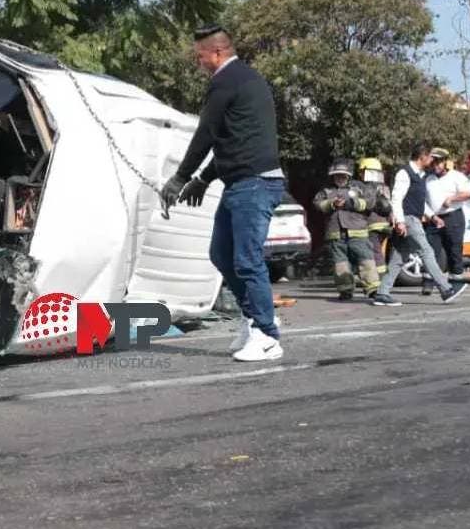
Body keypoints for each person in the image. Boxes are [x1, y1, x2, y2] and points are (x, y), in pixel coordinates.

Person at [161, 24, 285, 362]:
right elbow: (235, 142)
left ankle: (268, 335)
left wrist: (180, 177)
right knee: (221, 254)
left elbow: (207, 133)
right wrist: (203, 179)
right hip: (244, 182)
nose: (199, 64)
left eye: (200, 57)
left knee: (246, 260)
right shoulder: (248, 79)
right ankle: (253, 320)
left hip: (254, 184)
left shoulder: (225, 81)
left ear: (216, 53)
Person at [372, 143, 469, 307]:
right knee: (427, 251)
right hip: (408, 220)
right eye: (430, 156)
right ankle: (446, 290)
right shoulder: (405, 173)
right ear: (422, 157)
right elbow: (396, 198)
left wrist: (432, 217)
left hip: (413, 218)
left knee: (398, 258)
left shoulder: (421, 175)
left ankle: (382, 293)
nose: (432, 160)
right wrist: (400, 221)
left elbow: (419, 202)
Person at [314, 158, 380, 301]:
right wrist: (331, 204)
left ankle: (373, 289)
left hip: (358, 231)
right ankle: (345, 290)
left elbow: (370, 203)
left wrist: (351, 203)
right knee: (340, 264)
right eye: (337, 175)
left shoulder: (359, 188)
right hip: (336, 233)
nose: (340, 178)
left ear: (349, 175)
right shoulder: (326, 191)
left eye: (343, 175)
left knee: (366, 260)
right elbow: (318, 204)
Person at [421, 149, 470, 294]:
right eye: (433, 163)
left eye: (438, 162)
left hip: (453, 218)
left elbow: (468, 193)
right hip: (434, 219)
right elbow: (423, 201)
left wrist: (452, 199)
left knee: (454, 251)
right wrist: (431, 215)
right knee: (430, 251)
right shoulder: (428, 179)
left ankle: (456, 282)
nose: (435, 166)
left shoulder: (457, 176)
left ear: (445, 162)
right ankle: (428, 282)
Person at [358, 157, 393, 268]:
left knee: (375, 252)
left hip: (373, 225)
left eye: (362, 172)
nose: (360, 174)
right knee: (379, 250)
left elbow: (366, 205)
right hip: (386, 225)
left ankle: (380, 276)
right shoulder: (384, 187)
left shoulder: (366, 187)